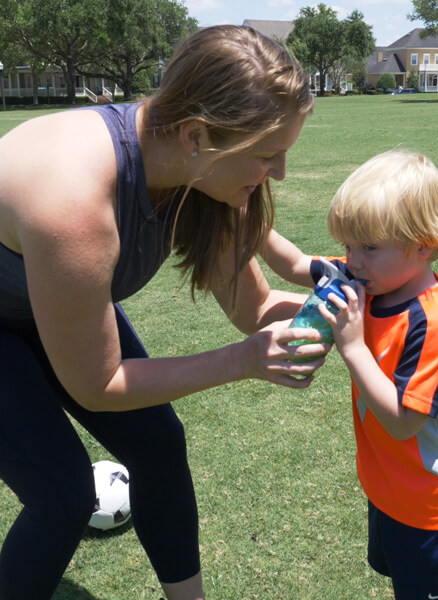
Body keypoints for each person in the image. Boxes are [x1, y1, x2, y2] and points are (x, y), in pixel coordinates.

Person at [0, 25, 330, 600]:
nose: (278, 174)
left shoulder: (196, 171)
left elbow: (256, 309)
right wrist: (246, 361)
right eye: (267, 155)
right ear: (197, 135)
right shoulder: (73, 199)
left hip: (40, 304)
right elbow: (99, 384)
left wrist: (348, 306)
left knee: (157, 442)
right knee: (62, 493)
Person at [261, 150, 438, 600]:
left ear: (422, 245)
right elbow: (293, 264)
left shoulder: (432, 323)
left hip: (432, 507)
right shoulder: (365, 279)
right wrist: (249, 222)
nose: (351, 261)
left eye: (368, 247)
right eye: (347, 247)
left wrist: (354, 347)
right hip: (387, 491)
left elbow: (404, 422)